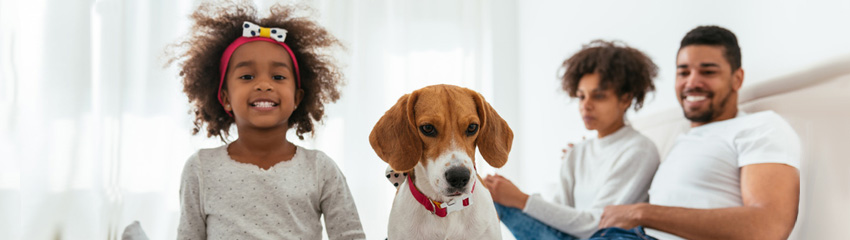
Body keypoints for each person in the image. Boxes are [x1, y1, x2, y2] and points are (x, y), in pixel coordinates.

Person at [169, 1, 365, 239]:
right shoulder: (200, 168)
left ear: (297, 97)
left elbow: (350, 235)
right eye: (247, 76)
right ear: (225, 97)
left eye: (278, 76)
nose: (264, 84)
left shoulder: (320, 168)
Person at [597, 26, 801, 240]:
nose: (692, 82)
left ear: (737, 79)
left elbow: (768, 227)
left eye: (708, 72)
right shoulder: (684, 139)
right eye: (683, 72)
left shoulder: (759, 126)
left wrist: (641, 213)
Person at [482, 40, 661, 239]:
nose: (586, 105)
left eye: (598, 96)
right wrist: (510, 197)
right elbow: (557, 212)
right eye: (581, 96)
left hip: (602, 236)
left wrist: (522, 199)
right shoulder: (578, 151)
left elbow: (600, 224)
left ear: (626, 99)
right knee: (489, 192)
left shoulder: (639, 150)